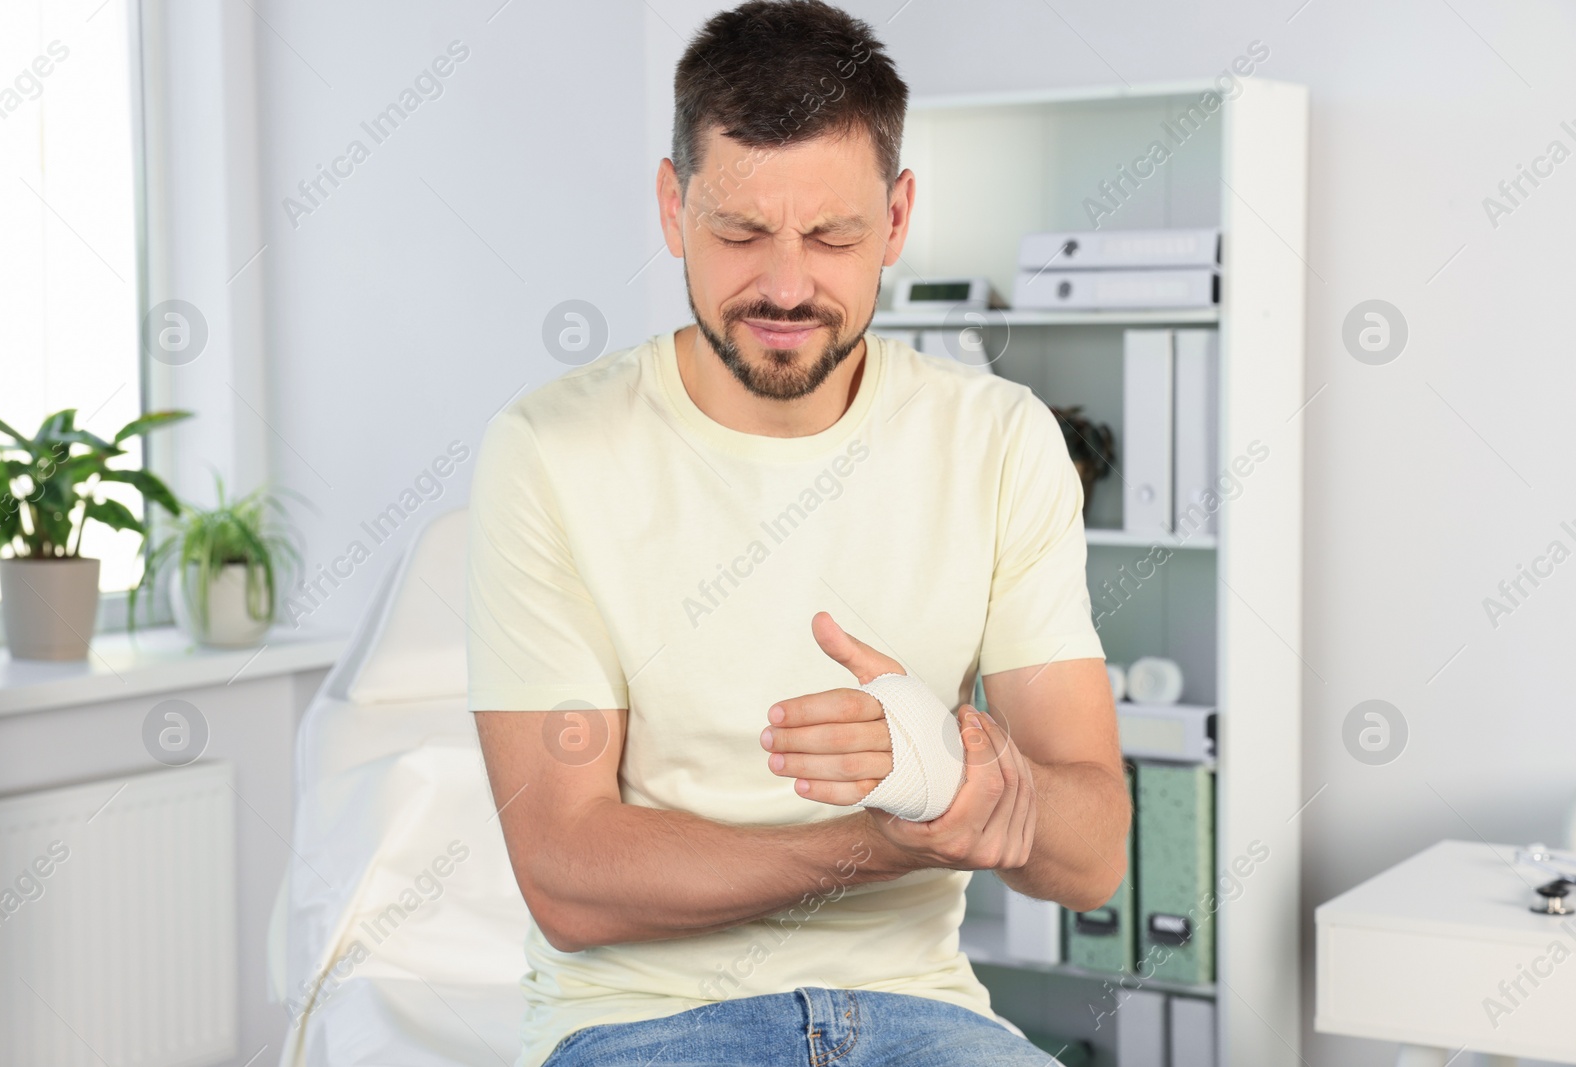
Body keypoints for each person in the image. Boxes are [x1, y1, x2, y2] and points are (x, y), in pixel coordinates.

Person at [466, 2, 1129, 1064]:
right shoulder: (551, 450)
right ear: (673, 207)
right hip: (644, 1020)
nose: (785, 285)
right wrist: (889, 832)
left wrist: (973, 782)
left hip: (926, 1011)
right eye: (738, 233)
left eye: (832, 236)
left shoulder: (999, 438)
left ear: (899, 218)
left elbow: (1092, 851)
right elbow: (567, 877)